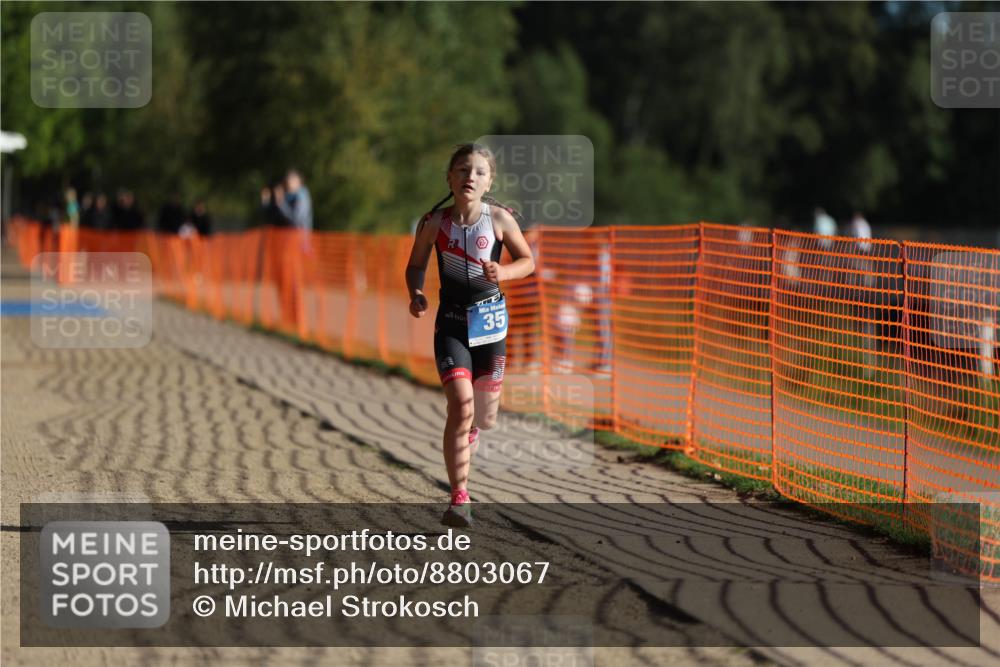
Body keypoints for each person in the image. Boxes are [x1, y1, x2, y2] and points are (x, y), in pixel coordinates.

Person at [405, 143, 535, 527]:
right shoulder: (434, 223)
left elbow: (528, 261)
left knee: (484, 415)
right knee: (460, 404)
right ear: (449, 177)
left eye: (479, 171)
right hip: (451, 323)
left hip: (490, 323)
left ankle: (474, 428)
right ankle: (459, 497)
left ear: (489, 180)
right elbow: (414, 265)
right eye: (462, 170)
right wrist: (416, 293)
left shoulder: (499, 220)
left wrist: (505, 273)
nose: (470, 177)